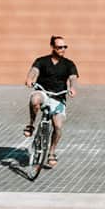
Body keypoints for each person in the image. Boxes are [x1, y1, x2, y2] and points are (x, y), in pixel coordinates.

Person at [23, 35, 78, 168]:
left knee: (58, 127)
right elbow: (34, 71)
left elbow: (73, 77)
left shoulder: (69, 64)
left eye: (65, 47)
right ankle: (31, 124)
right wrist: (30, 78)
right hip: (43, 92)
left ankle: (51, 152)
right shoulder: (42, 61)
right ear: (52, 47)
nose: (63, 49)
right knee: (34, 99)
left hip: (58, 96)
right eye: (59, 47)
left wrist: (72, 88)